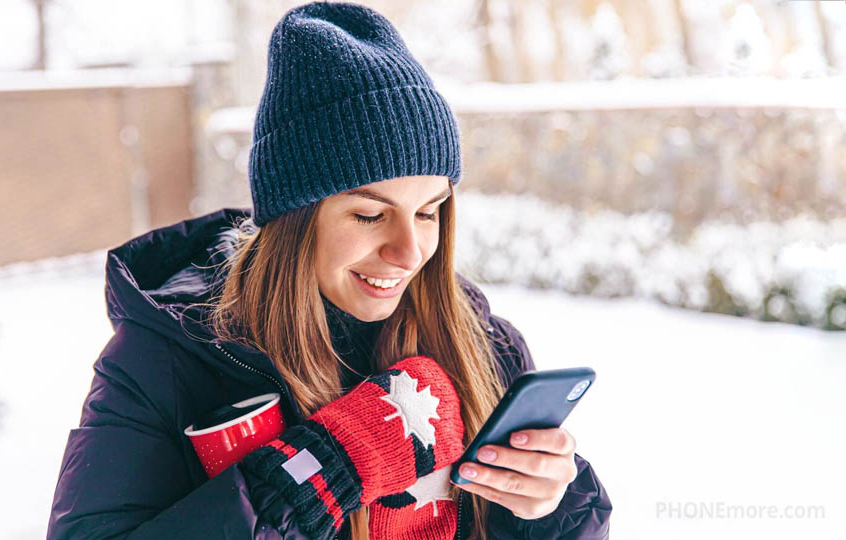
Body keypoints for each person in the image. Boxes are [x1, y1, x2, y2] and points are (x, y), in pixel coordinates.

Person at [46, 2, 611, 539]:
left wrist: (551, 508)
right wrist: (323, 469)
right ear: (293, 219)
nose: (410, 252)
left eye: (429, 211)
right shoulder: (164, 363)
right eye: (370, 214)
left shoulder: (481, 345)